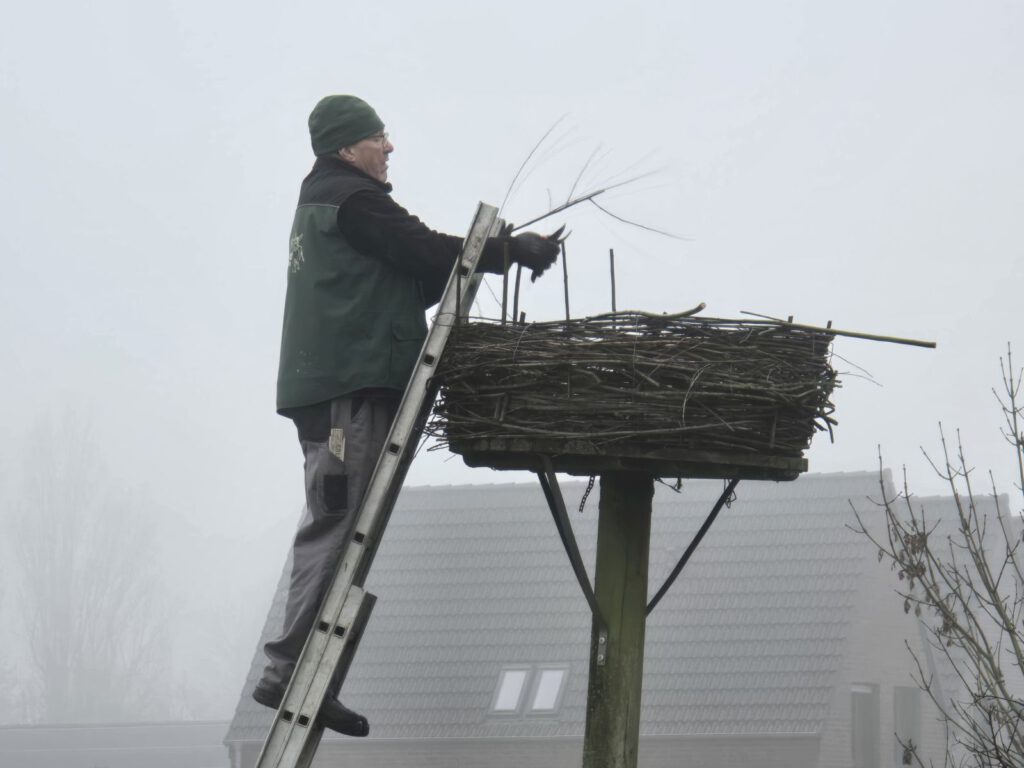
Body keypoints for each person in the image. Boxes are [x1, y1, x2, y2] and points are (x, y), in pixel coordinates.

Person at [253, 95, 561, 737]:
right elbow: (422, 248)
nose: (389, 148)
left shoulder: (335, 205)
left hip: (344, 383)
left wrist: (493, 255)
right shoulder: (352, 199)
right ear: (347, 148)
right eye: (378, 139)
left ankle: (313, 674)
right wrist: (510, 250)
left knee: (341, 522)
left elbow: (405, 273)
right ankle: (287, 668)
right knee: (335, 523)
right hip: (348, 390)